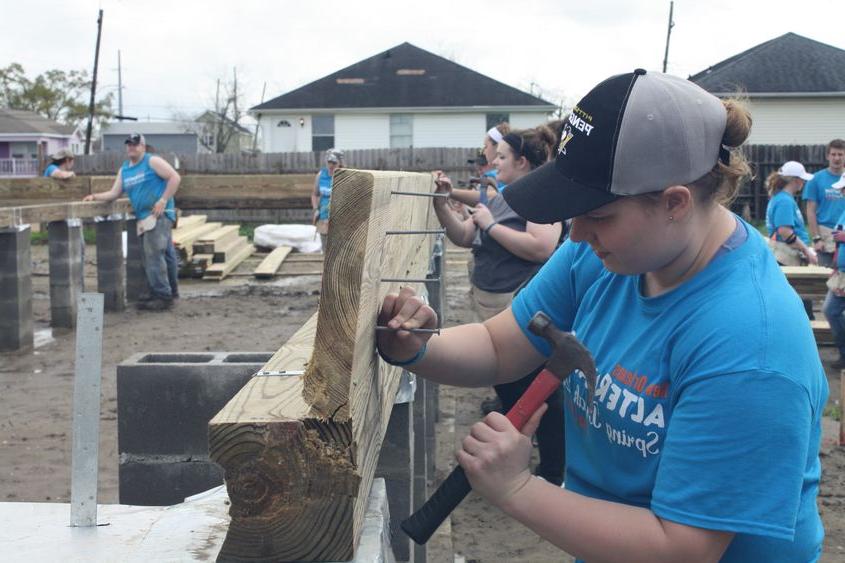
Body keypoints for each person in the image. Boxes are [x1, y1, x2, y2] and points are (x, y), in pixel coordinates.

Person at [377, 70, 827, 561]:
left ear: (675, 202)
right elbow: (498, 346)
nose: (576, 234)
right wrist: (416, 345)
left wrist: (517, 489)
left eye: (597, 214)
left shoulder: (749, 344)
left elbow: (681, 549)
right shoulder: (608, 254)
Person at [433, 126, 565, 483]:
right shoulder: (502, 194)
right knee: (511, 387)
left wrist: (490, 226)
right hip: (494, 302)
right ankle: (519, 459)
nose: (495, 162)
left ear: (522, 162)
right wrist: (442, 206)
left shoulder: (539, 198)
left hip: (519, 302)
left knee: (540, 394)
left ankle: (552, 471)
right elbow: (464, 236)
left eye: (503, 156)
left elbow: (541, 247)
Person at [83, 133, 181, 311]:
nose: (131, 147)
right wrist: (95, 196)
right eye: (129, 144)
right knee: (165, 255)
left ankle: (162, 296)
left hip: (158, 214)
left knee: (153, 255)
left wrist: (163, 200)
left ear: (143, 146)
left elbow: (175, 177)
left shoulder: (152, 161)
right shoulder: (125, 169)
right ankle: (170, 293)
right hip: (144, 216)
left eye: (135, 144)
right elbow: (114, 193)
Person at [764, 161, 818, 266]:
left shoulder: (782, 198)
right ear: (795, 180)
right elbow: (785, 232)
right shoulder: (784, 201)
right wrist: (807, 251)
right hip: (784, 257)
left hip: (784, 254)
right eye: (803, 179)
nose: (804, 182)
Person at [803, 138, 845, 266]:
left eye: (840, 154)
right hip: (825, 233)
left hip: (843, 233)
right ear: (827, 156)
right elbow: (810, 211)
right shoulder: (816, 179)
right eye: (833, 154)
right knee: (824, 274)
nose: (836, 158)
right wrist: (816, 238)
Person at [822, 173, 845, 369]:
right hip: (841, 272)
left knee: (831, 310)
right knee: (830, 310)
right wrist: (836, 268)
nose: (842, 192)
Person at [312, 148, 343, 249]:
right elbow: (315, 194)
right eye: (329, 162)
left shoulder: (344, 176)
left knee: (338, 245)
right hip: (324, 213)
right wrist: (316, 209)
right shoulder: (321, 175)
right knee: (325, 245)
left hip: (339, 214)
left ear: (339, 163)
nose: (331, 165)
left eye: (334, 162)